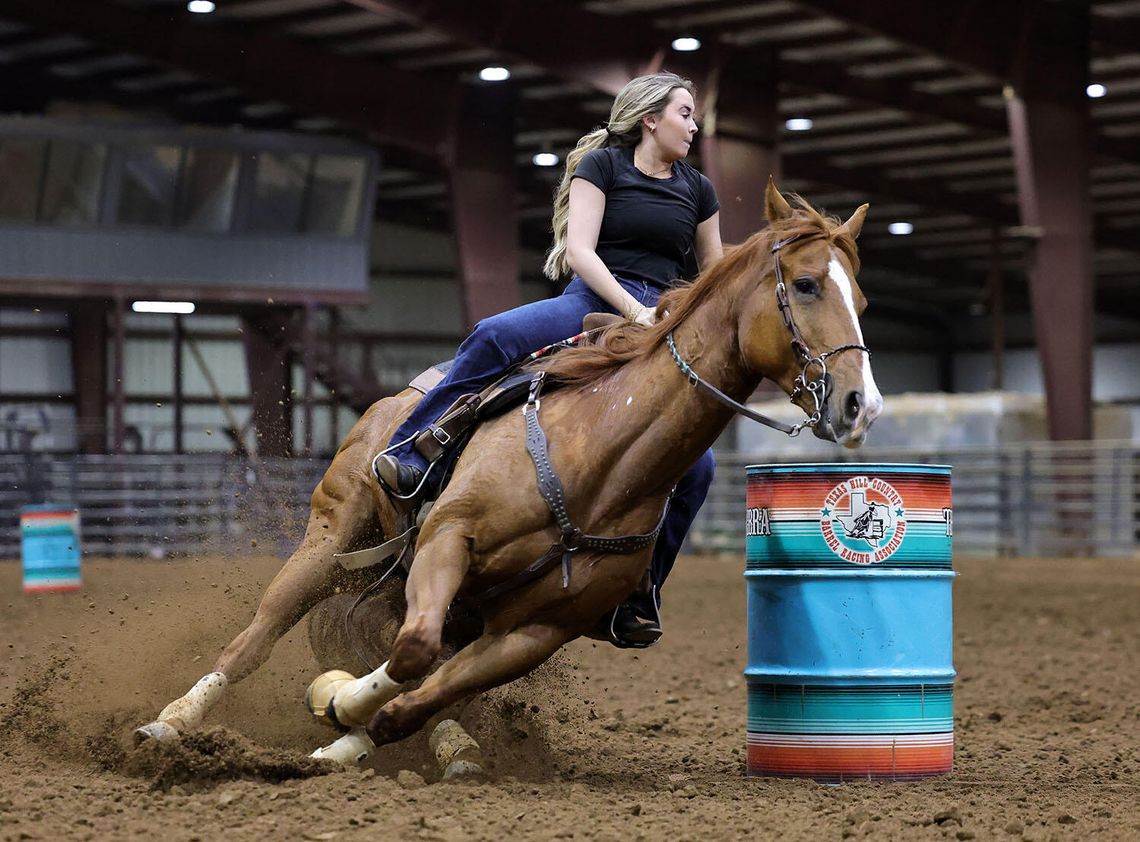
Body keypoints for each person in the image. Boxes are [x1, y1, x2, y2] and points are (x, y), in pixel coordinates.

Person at [376, 71, 723, 646]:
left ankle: (639, 593)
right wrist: (631, 310)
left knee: (700, 469)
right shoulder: (603, 166)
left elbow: (712, 274)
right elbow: (581, 252)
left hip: (661, 318)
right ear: (650, 119)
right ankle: (414, 452)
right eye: (685, 113)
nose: (694, 125)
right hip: (593, 300)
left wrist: (673, 319)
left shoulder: (699, 189)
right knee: (493, 334)